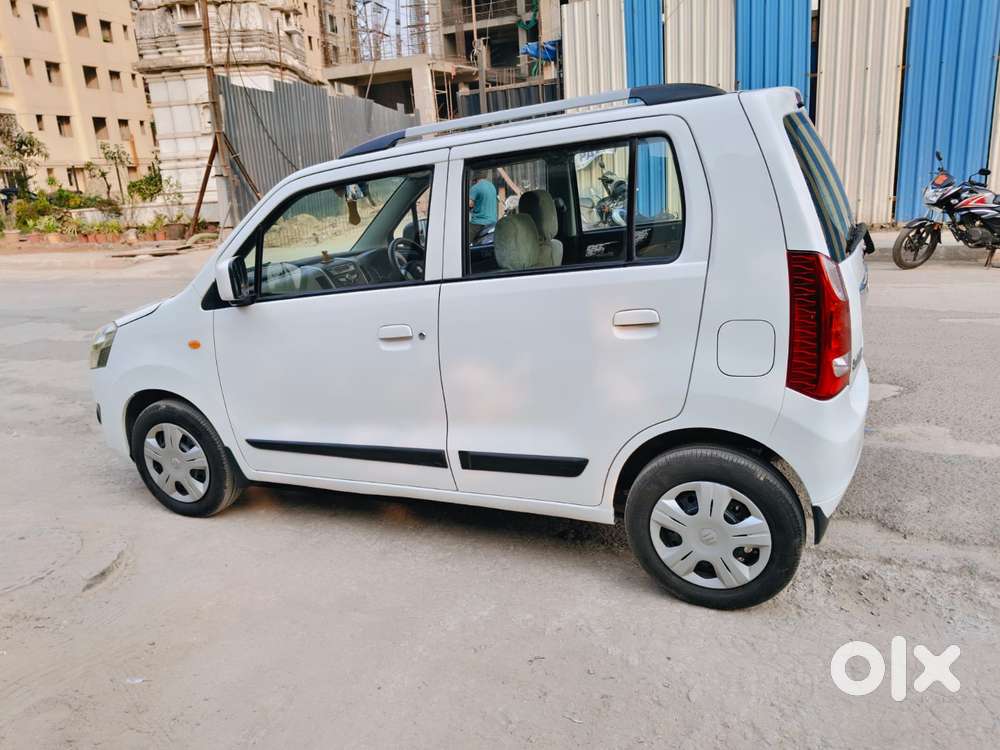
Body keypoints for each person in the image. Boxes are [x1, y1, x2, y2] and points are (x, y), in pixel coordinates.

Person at [468, 170, 498, 243]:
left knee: (462, 239)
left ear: (474, 178)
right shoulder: (492, 186)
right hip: (493, 222)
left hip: (479, 223)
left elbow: (469, 204)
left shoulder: (475, 187)